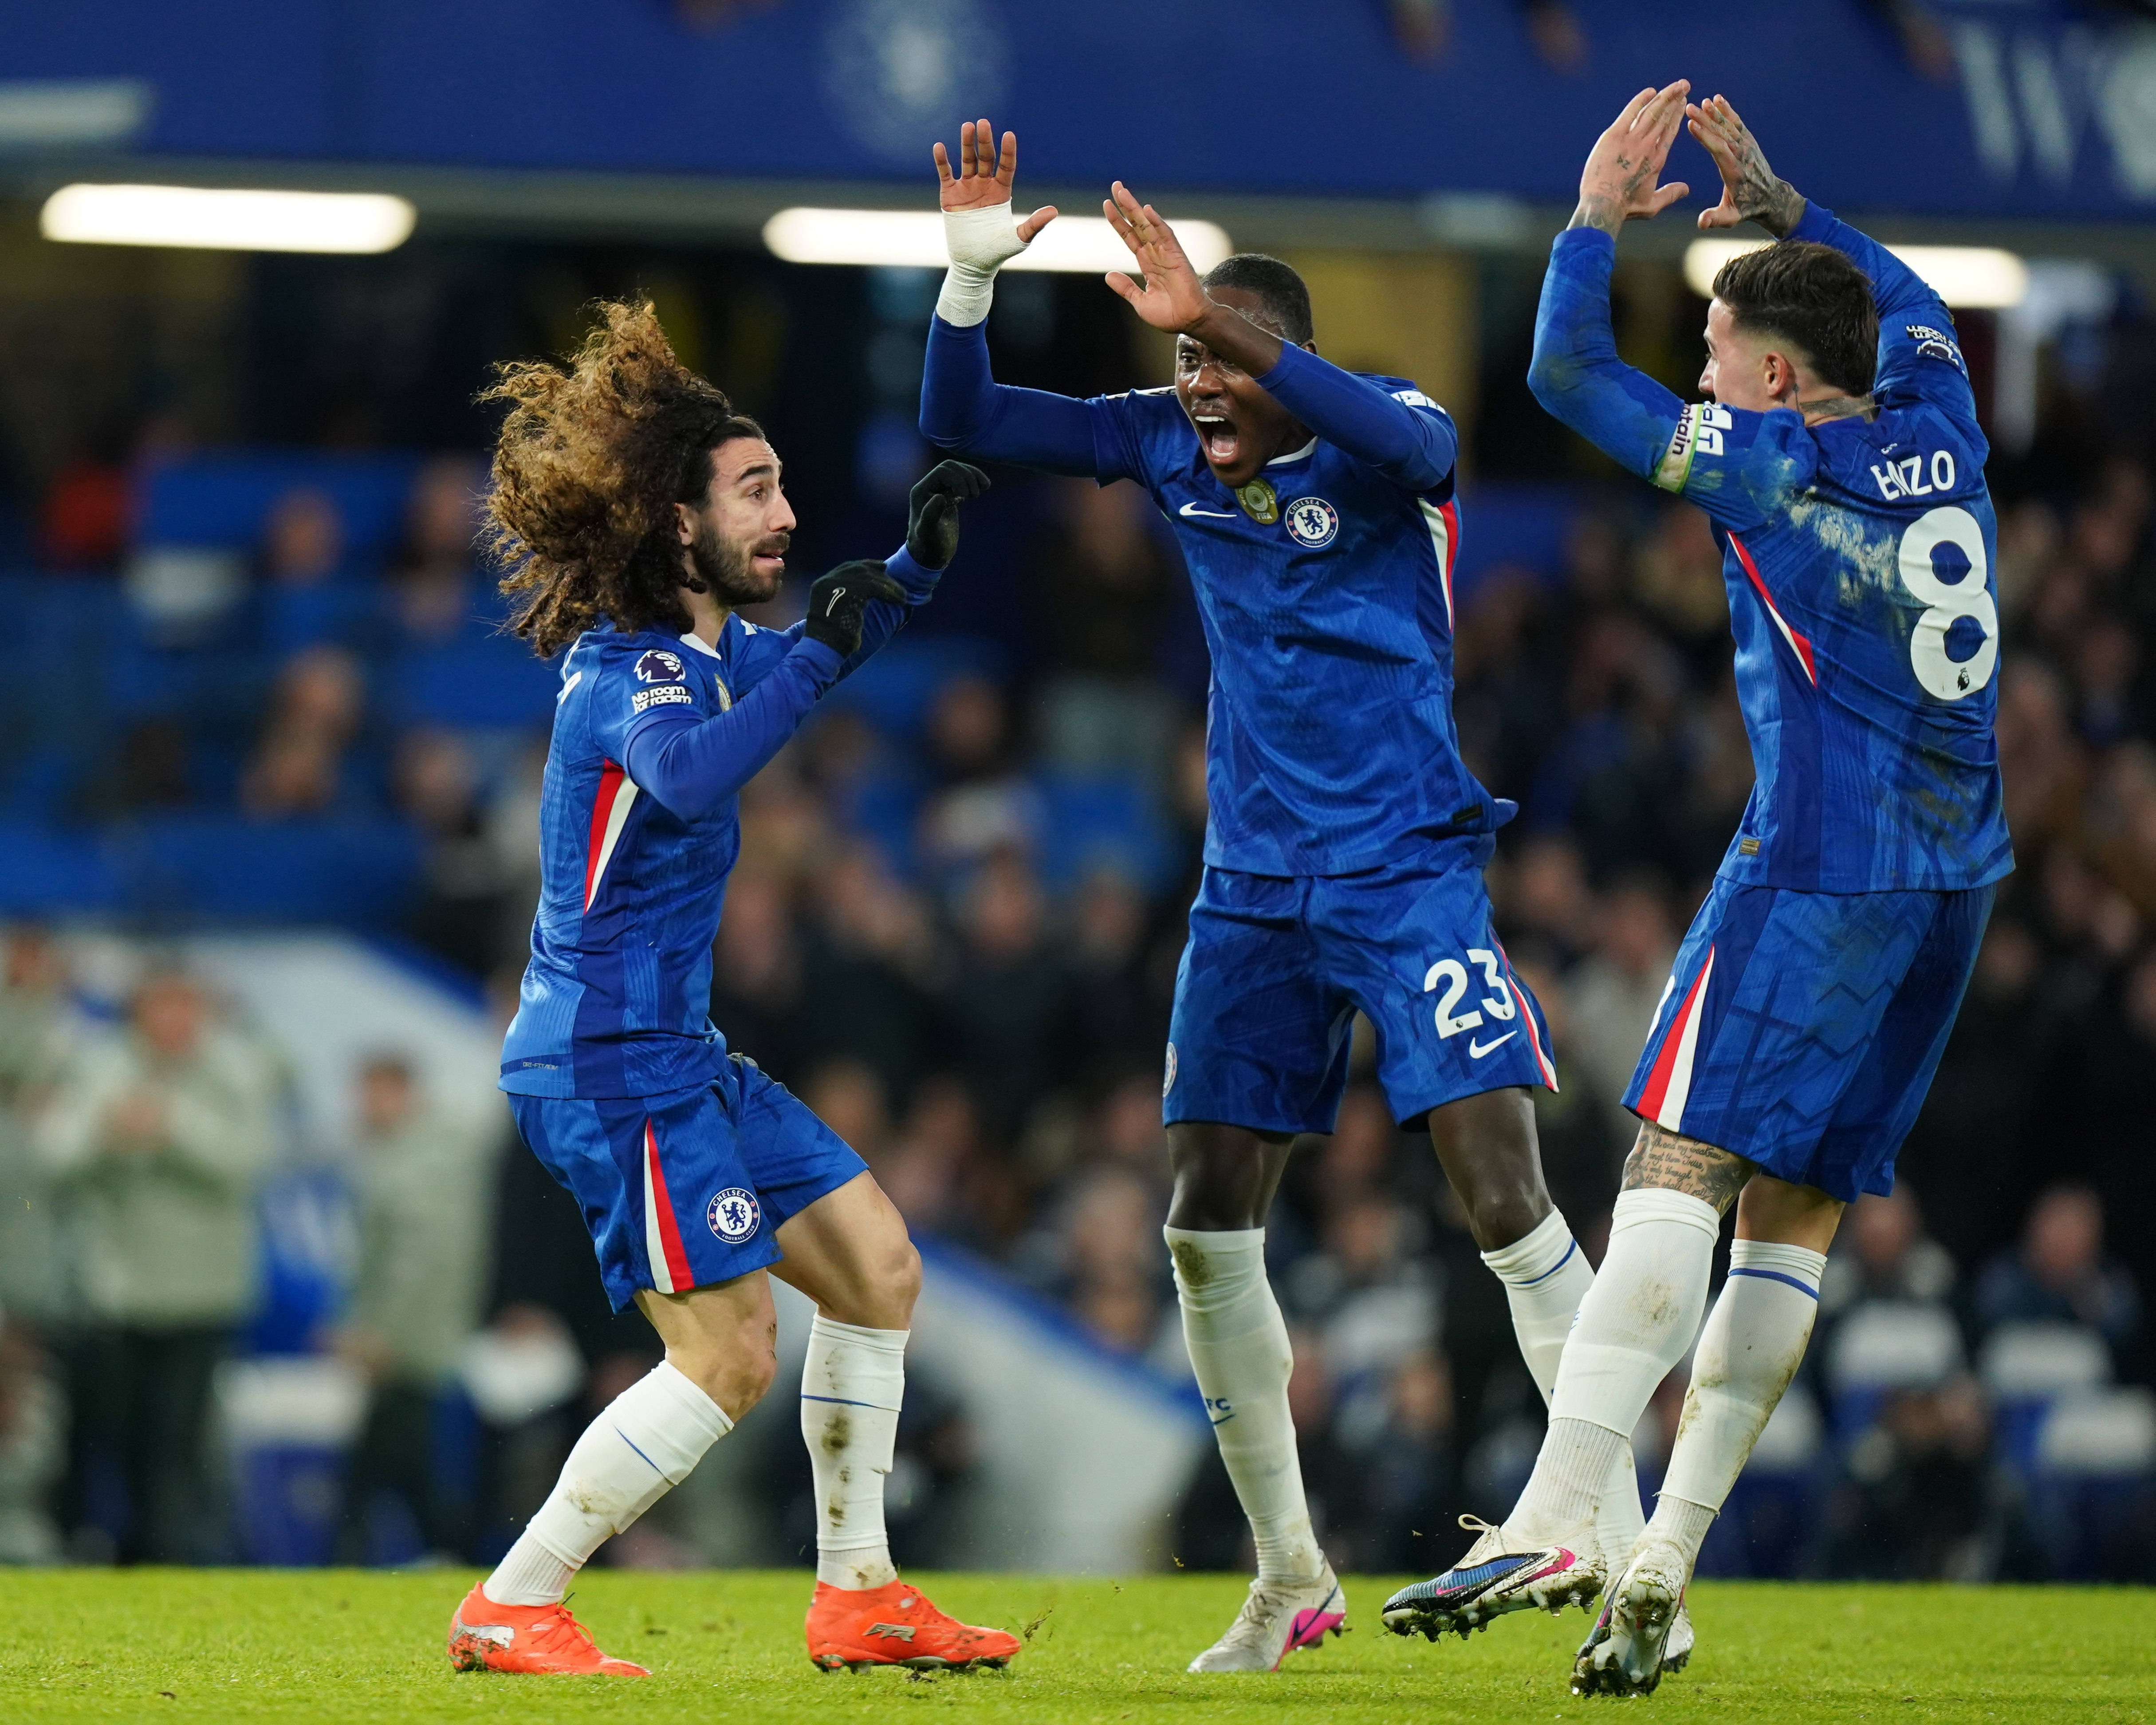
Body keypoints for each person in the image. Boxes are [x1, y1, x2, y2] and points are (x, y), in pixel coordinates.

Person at [920, 119, 1651, 1674]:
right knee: (1204, 1225)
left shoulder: (1389, 428)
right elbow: (965, 420)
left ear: (1277, 352)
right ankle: (1286, 1567)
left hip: (1407, 871)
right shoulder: (1171, 440)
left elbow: (1418, 452)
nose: (1199, 396)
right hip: (1250, 889)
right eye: (1183, 370)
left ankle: (1610, 1527)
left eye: (1221, 366)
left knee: (1503, 1190)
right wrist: (970, 281)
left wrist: (1215, 318)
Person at [1380, 85, 2012, 1697]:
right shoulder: (1939, 411)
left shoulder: (1769, 465)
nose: (1702, 378)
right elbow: (1918, 304)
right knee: (1791, 1211)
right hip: (1954, 880)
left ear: (1780, 381)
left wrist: (1590, 214)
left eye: (1720, 352)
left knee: (1677, 1160)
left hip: (1814, 865)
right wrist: (1784, 207)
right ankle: (1660, 1562)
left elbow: (1557, 374)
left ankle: (1549, 1511)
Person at [448, 299, 1010, 1678]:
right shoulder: (619, 676)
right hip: (608, 1067)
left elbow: (828, 641)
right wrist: (824, 645)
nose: (783, 511)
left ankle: (860, 1592)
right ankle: (514, 1597)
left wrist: (912, 572)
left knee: (878, 1268)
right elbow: (698, 767)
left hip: (679, 1057)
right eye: (753, 489)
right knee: (733, 1356)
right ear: (674, 521)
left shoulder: (712, 658)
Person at [39, 966, 279, 1563]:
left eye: (185, 1007)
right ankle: (103, 1552)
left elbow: (253, 1163)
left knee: (179, 1442)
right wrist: (106, 1132)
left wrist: (173, 1127)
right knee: (110, 1435)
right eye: (159, 1007)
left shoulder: (237, 1068)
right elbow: (52, 1160)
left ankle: (171, 1558)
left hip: (203, 1293)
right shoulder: (100, 1065)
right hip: (115, 1291)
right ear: (137, 1013)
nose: (173, 1021)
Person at [334, 1054, 494, 1562]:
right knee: (404, 1463)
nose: (366, 1108)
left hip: (419, 1340)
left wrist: (381, 1333)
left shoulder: (426, 1159)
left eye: (376, 1094)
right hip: (421, 1338)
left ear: (406, 1093)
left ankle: (361, 1557)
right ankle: (443, 1551)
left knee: (380, 1465)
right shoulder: (405, 1150)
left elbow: (418, 1259)